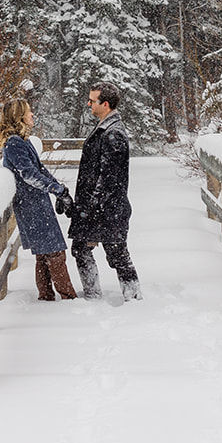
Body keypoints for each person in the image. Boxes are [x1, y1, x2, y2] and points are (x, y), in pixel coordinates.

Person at [0, 98, 77, 301]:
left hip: (36, 203)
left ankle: (47, 297)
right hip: (31, 206)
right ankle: (68, 298)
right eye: (29, 112)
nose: (33, 115)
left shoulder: (22, 141)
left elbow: (40, 170)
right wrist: (56, 190)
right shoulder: (14, 143)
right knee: (55, 253)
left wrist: (61, 190)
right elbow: (29, 174)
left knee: (44, 254)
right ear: (19, 117)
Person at [68, 81, 140, 301]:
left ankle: (133, 296)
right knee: (81, 247)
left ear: (105, 104)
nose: (88, 103)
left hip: (108, 208)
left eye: (92, 101)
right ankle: (93, 294)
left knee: (116, 252)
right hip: (98, 207)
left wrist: (93, 207)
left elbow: (110, 178)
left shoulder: (113, 133)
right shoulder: (103, 128)